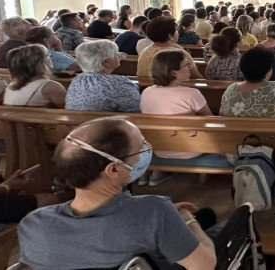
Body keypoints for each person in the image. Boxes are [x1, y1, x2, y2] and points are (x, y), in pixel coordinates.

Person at [17, 117, 218, 269]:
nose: (146, 150)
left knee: (206, 216)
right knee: (215, 224)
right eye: (141, 148)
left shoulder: (33, 224)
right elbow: (204, 265)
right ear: (113, 169)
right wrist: (188, 220)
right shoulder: (156, 211)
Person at [141, 50, 211, 186]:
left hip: (159, 149)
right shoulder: (192, 94)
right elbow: (210, 119)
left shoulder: (147, 92)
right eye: (186, 65)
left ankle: (158, 171)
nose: (190, 67)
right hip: (191, 150)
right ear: (174, 73)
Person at [220, 47, 275, 118]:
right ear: (267, 72)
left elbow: (222, 116)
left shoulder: (231, 89)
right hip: (270, 130)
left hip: (235, 130)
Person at [65, 40, 141, 112]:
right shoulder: (119, 83)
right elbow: (137, 107)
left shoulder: (77, 80)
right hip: (107, 121)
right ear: (105, 61)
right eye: (115, 53)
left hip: (77, 120)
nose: (119, 55)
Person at [137, 17, 203, 79]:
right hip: (175, 87)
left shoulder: (145, 51)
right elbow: (196, 77)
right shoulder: (180, 54)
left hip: (145, 86)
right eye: (176, 30)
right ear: (170, 35)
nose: (177, 32)